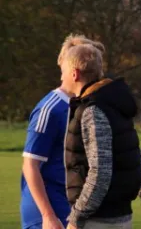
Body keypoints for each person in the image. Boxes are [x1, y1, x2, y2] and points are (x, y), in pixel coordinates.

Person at [60, 43, 141, 229]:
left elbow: (100, 172)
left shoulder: (93, 110)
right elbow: (131, 156)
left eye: (62, 71)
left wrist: (76, 218)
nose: (61, 77)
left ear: (75, 74)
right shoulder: (115, 103)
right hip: (121, 217)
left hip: (96, 221)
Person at [20, 34, 104, 229]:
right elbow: (30, 165)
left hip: (74, 207)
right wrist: (47, 216)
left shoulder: (90, 108)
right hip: (48, 211)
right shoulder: (50, 109)